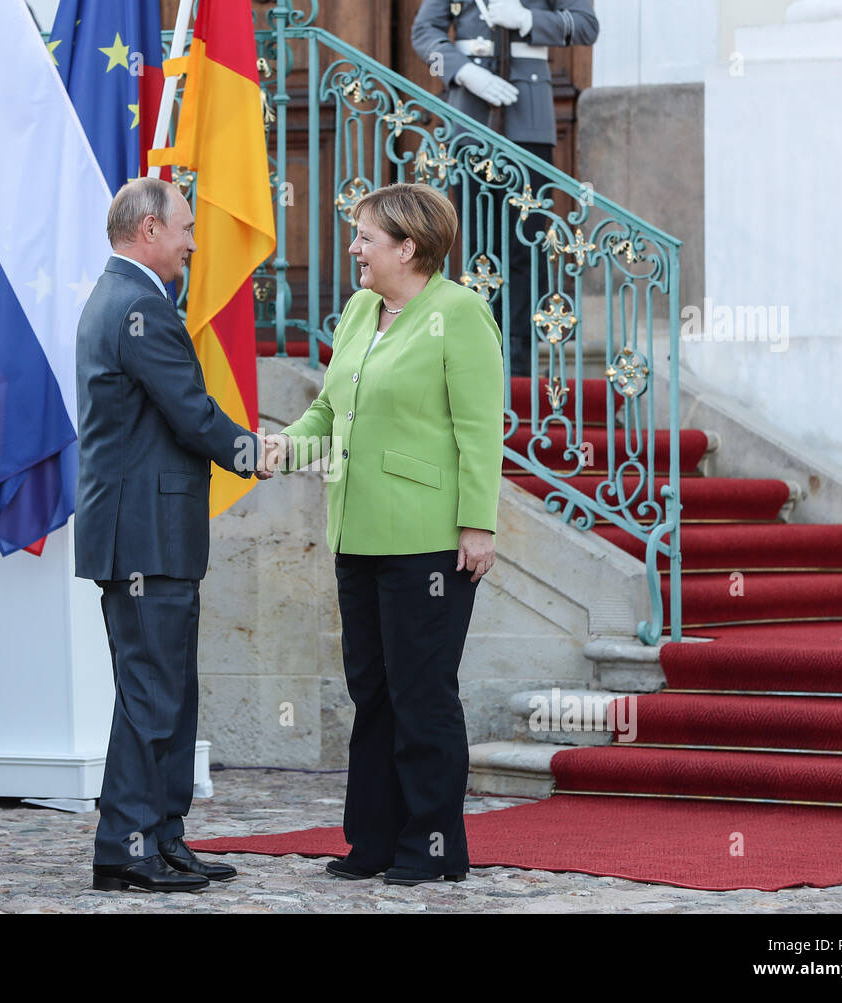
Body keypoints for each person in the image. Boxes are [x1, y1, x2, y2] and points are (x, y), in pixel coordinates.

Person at [263, 183, 504, 885]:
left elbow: (478, 428)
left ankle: (430, 847)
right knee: (371, 692)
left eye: (365, 237)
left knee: (422, 692)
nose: (353, 249)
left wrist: (478, 523)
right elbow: (330, 413)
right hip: (356, 533)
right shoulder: (361, 311)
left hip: (428, 539)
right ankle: (370, 842)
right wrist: (285, 447)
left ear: (409, 246)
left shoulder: (459, 313)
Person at [74, 176, 269, 893]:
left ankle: (163, 835)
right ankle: (126, 846)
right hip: (143, 536)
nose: (192, 241)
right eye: (184, 227)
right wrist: (255, 452)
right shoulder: (137, 307)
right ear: (148, 229)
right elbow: (191, 412)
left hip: (145, 533)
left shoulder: (127, 299)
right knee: (152, 693)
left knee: (167, 691)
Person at [412, 0, 598, 374]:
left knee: (524, 241)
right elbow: (424, 31)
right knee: (478, 242)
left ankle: (518, 359)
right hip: (470, 108)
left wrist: (528, 19)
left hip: (527, 109)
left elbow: (585, 26)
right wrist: (462, 71)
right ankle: (476, 353)